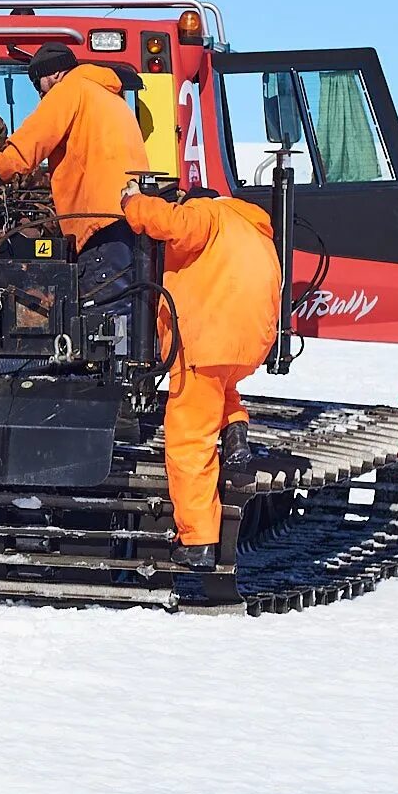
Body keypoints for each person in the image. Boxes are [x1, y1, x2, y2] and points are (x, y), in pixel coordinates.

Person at [0, 43, 154, 349]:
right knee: (124, 304)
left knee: (105, 309)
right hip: (126, 213)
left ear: (54, 73)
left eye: (37, 83)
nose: (38, 93)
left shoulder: (69, 90)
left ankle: (107, 381)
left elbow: (30, 142)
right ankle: (129, 373)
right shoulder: (107, 95)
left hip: (99, 218)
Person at [119, 183, 280, 573]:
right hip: (246, 344)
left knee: (189, 441)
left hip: (207, 341)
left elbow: (173, 223)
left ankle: (197, 541)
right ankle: (236, 430)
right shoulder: (252, 228)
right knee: (220, 390)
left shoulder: (207, 214)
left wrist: (134, 202)